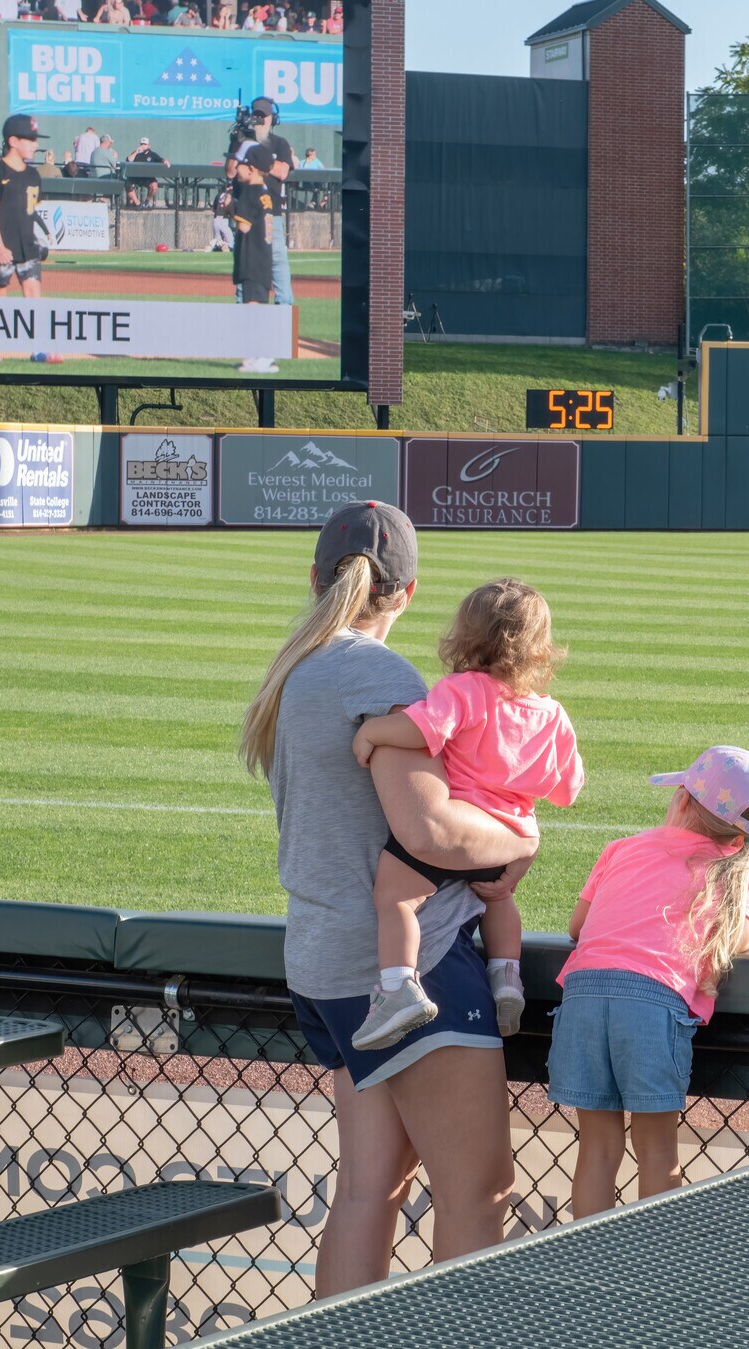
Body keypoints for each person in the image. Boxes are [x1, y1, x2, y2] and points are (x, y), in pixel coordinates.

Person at [239, 501, 528, 1295]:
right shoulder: (377, 674)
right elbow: (429, 829)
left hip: (325, 965)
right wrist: (520, 841)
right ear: (406, 592)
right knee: (476, 1195)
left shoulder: (298, 668)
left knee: (370, 1192)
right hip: (410, 970)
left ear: (315, 579)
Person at [549, 746, 749, 1218]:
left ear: (682, 801)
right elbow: (738, 938)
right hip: (654, 1003)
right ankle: (650, 1268)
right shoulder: (740, 873)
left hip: (583, 994)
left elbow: (578, 928)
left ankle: (586, 1263)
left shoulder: (623, 848)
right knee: (658, 1152)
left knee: (595, 1148)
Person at [349, 579, 582, 1049]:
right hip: (508, 837)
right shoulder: (553, 714)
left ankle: (398, 989)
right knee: (498, 898)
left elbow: (422, 729)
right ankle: (507, 980)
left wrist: (373, 731)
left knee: (395, 897)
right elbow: (567, 789)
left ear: (467, 635)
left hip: (455, 828)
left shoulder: (465, 689)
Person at [0, 113, 46, 359]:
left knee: (33, 293)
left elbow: (30, 211)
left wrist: (38, 239)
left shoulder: (33, 175)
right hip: (3, 245)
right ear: (13, 140)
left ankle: (38, 347)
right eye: (30, 139)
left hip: (28, 244)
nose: (35, 144)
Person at [244, 96, 296, 307]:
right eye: (256, 116)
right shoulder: (243, 141)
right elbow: (232, 171)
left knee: (278, 264)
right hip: (246, 212)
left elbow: (283, 171)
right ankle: (244, 309)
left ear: (272, 118)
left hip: (271, 214)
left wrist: (256, 163)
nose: (259, 120)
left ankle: (284, 310)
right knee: (245, 266)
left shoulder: (279, 143)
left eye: (263, 116)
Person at [228, 145, 275, 368]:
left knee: (252, 308)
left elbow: (244, 227)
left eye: (243, 164)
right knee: (257, 306)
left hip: (252, 257)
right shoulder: (265, 192)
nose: (238, 168)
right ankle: (256, 356)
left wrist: (232, 209)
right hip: (264, 257)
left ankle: (261, 355)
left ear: (253, 168)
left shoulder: (250, 192)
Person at [125, 136, 166, 205]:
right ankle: (137, 203)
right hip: (135, 177)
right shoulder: (136, 154)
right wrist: (136, 152)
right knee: (127, 184)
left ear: (149, 145)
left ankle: (146, 202)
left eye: (145, 144)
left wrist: (165, 161)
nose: (143, 146)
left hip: (147, 178)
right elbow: (129, 160)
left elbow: (161, 160)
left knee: (154, 186)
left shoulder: (153, 155)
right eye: (141, 144)